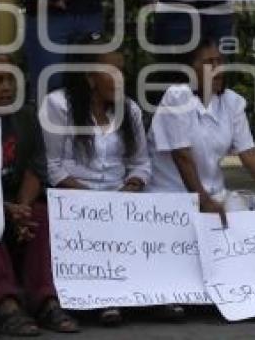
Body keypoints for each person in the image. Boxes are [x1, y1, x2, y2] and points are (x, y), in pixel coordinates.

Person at [0, 53, 80, 336]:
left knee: (41, 215)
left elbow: (36, 168)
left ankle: (45, 299)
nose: (8, 87)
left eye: (11, 79)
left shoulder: (25, 117)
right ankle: (4, 302)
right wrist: (3, 208)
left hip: (14, 202)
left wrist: (21, 208)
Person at [41, 34, 155, 325]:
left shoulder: (130, 109)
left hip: (120, 199)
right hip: (75, 199)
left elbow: (141, 164)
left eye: (122, 71)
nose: (121, 79)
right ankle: (104, 299)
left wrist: (131, 187)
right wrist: (92, 199)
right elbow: (53, 167)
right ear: (90, 78)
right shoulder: (58, 105)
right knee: (97, 226)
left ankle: (155, 296)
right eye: (112, 72)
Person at [147, 38, 255, 224]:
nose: (217, 68)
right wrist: (203, 202)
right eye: (208, 63)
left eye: (219, 62)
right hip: (173, 199)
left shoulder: (232, 102)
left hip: (215, 196)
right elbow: (182, 155)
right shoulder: (176, 96)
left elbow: (249, 153)